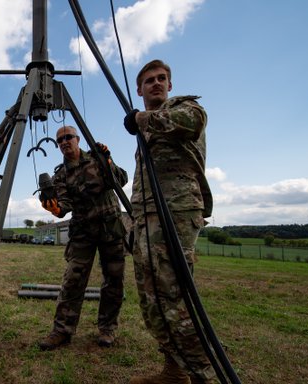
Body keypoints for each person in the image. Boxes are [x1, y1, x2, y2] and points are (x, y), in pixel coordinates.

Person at [123, 59, 215, 384]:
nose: (156, 84)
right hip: (146, 218)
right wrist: (134, 223)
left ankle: (203, 374)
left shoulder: (185, 108)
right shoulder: (145, 130)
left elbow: (190, 123)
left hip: (175, 213)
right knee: (152, 300)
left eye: (162, 78)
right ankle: (174, 372)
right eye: (149, 80)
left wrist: (140, 118)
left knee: (174, 298)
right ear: (140, 89)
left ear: (170, 85)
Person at [38, 125, 129, 351]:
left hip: (110, 228)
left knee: (113, 281)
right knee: (72, 281)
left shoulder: (97, 157)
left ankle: (107, 329)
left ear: (78, 139)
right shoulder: (60, 175)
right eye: (60, 140)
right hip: (83, 233)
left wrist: (108, 160)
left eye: (68, 137)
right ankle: (62, 331)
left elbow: (122, 179)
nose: (64, 142)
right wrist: (54, 209)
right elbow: (64, 207)